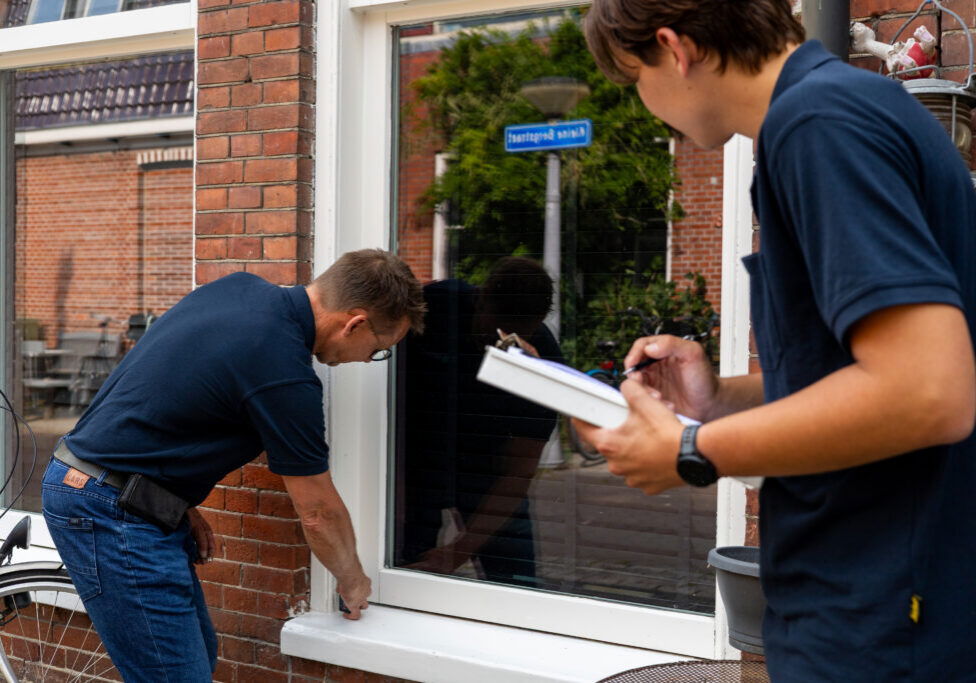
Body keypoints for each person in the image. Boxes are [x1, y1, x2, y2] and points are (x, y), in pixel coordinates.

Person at [575, 1, 976, 680]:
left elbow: (929, 391)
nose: (645, 106)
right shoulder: (845, 108)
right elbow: (862, 373)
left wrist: (691, 451)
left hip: (881, 615)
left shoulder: (819, 126)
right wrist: (718, 399)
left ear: (674, 48)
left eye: (632, 79)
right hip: (880, 601)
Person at [40, 249, 426, 682]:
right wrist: (353, 581)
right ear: (354, 322)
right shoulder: (285, 375)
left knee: (195, 661)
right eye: (378, 349)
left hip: (115, 492)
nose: (366, 360)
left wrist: (175, 499)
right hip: (106, 508)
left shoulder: (237, 289)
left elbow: (155, 390)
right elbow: (318, 513)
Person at [396, 257, 562, 587]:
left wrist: (456, 554)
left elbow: (519, 471)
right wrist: (391, 496)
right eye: (496, 329)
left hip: (488, 469)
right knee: (403, 570)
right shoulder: (433, 308)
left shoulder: (544, 363)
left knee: (516, 582)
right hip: (414, 465)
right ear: (480, 298)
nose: (501, 341)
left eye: (516, 336)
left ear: (539, 321)